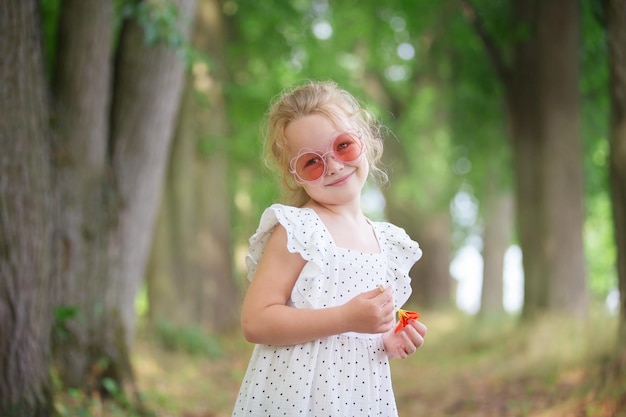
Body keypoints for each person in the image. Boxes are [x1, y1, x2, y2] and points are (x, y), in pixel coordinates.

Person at [232, 80, 427, 417]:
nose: (334, 165)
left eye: (343, 146)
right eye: (312, 162)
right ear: (294, 176)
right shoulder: (299, 230)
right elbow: (255, 321)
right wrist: (344, 317)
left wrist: (387, 341)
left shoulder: (385, 240)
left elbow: (361, 331)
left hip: (359, 397)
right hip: (297, 397)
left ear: (365, 142)